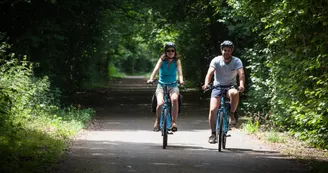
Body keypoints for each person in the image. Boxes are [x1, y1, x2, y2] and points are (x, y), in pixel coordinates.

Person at [201, 40, 245, 144]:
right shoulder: (216, 60)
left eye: (228, 50)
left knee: (235, 93)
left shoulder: (237, 61)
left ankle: (232, 114)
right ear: (221, 50)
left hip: (230, 86)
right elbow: (210, 73)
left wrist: (241, 85)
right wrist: (206, 83)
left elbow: (241, 73)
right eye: (224, 50)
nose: (226, 52)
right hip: (217, 87)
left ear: (232, 51)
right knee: (212, 110)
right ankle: (212, 134)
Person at [147, 42, 184, 132]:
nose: (170, 52)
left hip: (173, 85)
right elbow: (155, 70)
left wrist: (181, 80)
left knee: (174, 99)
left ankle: (173, 122)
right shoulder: (162, 60)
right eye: (168, 50)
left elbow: (180, 73)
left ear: (175, 52)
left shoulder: (177, 61)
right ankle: (157, 121)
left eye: (172, 50)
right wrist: (151, 79)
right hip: (161, 85)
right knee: (160, 104)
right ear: (165, 52)